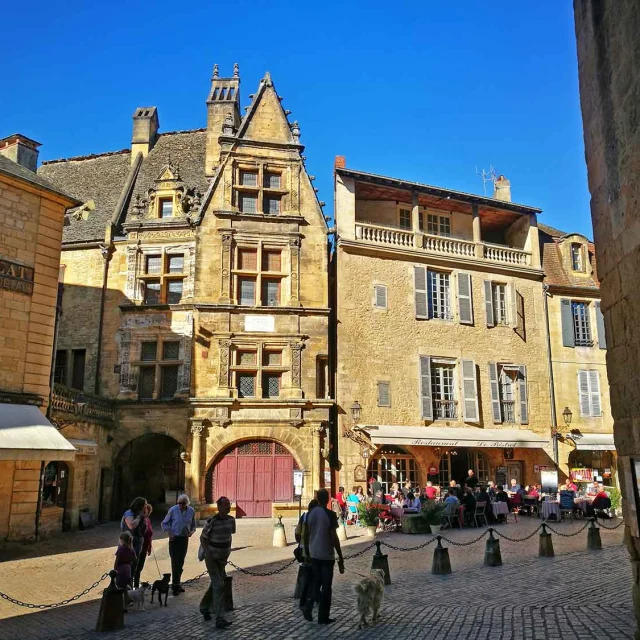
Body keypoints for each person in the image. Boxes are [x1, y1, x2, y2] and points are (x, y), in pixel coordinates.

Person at [302, 488, 344, 625]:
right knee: (326, 587)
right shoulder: (330, 514)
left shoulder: (310, 514)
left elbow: (306, 534)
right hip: (326, 555)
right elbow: (334, 536)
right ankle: (323, 616)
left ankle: (308, 605)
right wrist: (340, 556)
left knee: (316, 583)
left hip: (314, 553)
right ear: (327, 499)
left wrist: (307, 552)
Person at [199, 496, 236, 629]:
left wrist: (227, 552)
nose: (228, 506)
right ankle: (219, 618)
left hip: (223, 558)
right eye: (225, 504)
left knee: (216, 583)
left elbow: (230, 535)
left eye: (229, 504)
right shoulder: (211, 521)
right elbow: (203, 538)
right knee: (219, 584)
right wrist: (208, 552)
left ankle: (204, 606)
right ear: (219, 507)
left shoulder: (231, 521)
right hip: (212, 558)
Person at [161, 494, 196, 595]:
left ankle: (177, 583)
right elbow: (164, 523)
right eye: (179, 503)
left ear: (187, 503)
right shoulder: (173, 510)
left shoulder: (191, 511)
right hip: (174, 539)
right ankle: (175, 586)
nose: (180, 505)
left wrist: (192, 532)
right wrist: (170, 533)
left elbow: (193, 525)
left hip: (184, 539)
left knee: (180, 562)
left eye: (183, 503)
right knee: (175, 562)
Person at [121, 496, 147, 584]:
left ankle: (131, 586)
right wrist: (139, 517)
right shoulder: (129, 513)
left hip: (138, 541)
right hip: (128, 541)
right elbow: (131, 525)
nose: (145, 507)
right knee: (127, 563)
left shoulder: (141, 514)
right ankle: (125, 585)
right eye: (144, 505)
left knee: (134, 565)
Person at [133, 502, 154, 588]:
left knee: (140, 568)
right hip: (138, 547)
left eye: (148, 512)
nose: (147, 513)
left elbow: (150, 534)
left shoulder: (148, 520)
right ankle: (134, 585)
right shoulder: (139, 520)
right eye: (146, 511)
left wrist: (149, 547)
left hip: (145, 547)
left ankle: (136, 585)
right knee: (135, 567)